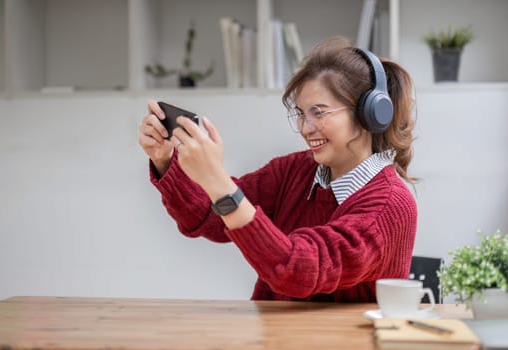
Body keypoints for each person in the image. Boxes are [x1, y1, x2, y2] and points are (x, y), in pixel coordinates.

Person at [138, 36, 417, 302]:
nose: (306, 129)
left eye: (318, 112)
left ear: (368, 113)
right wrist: (165, 160)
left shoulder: (391, 206)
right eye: (300, 114)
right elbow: (208, 217)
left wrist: (218, 181)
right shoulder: (295, 171)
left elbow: (298, 268)